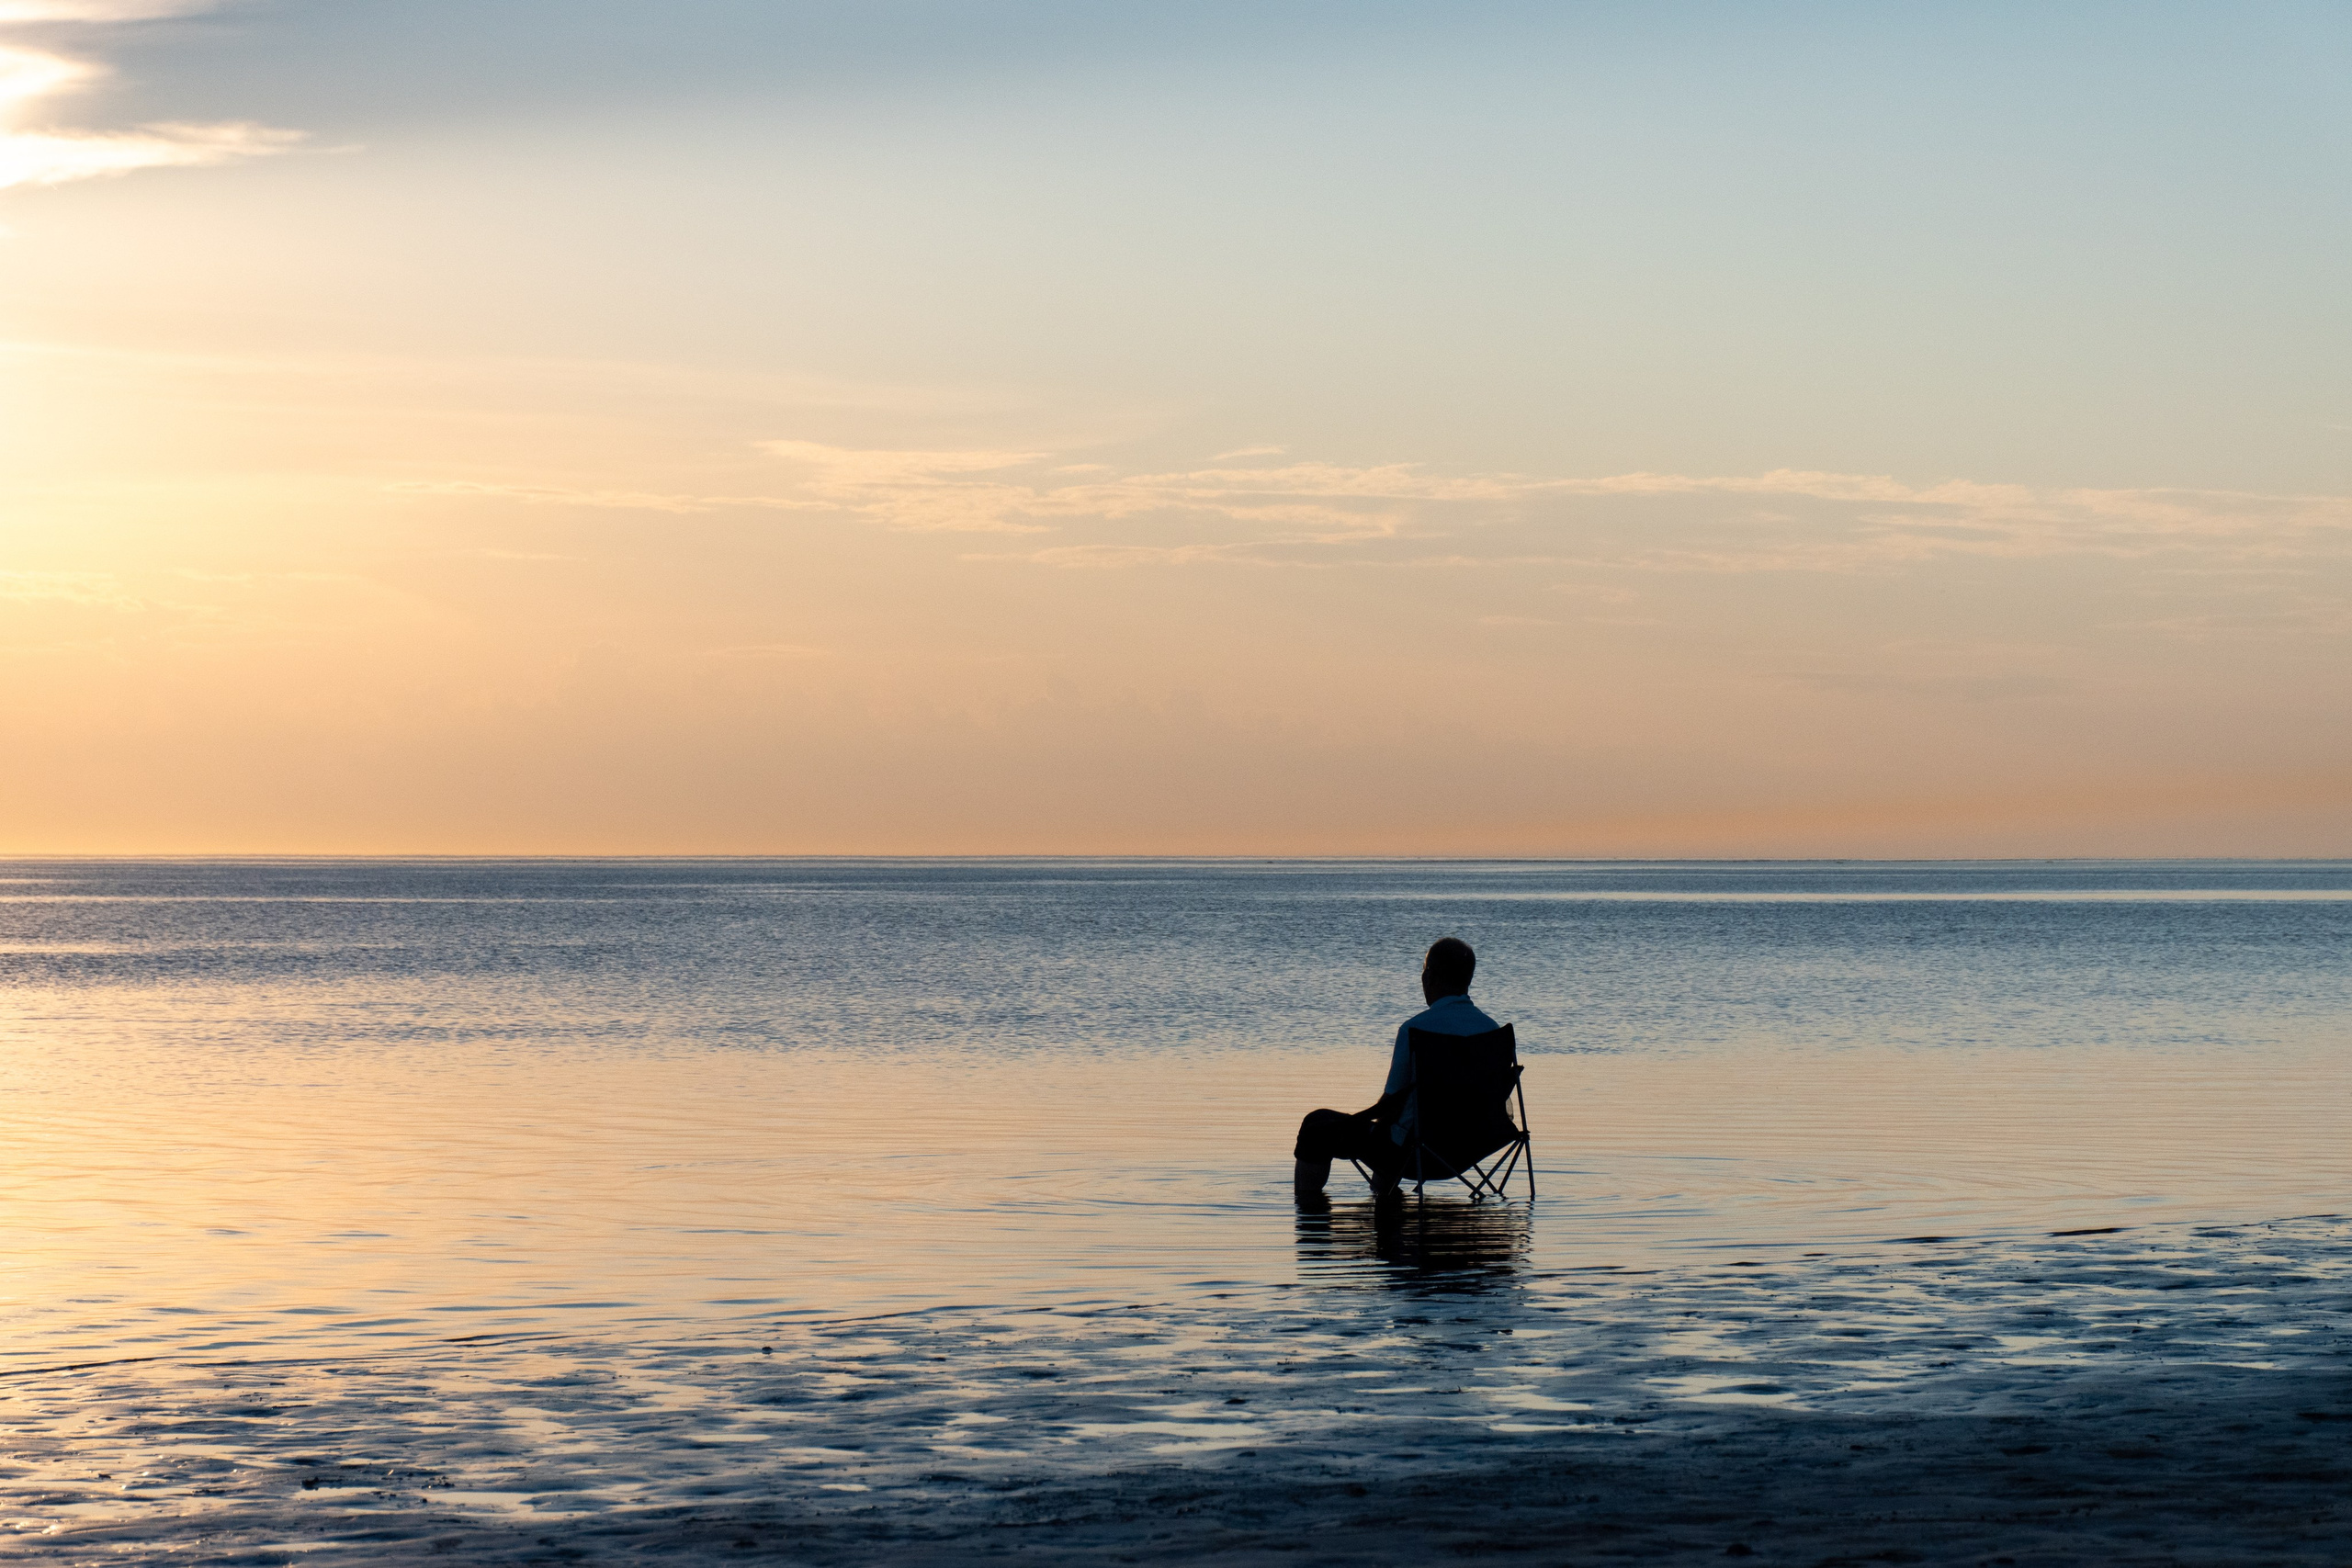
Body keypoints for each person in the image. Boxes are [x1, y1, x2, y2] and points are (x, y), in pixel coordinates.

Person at [1293, 936, 1500, 1202]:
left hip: (1415, 1151)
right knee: (1392, 1129)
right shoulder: (1492, 1031)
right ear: (1467, 979)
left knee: (1316, 1127)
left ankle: (1310, 1220)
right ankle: (1387, 1197)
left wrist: (1356, 1122)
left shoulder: (1415, 1030)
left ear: (1430, 978)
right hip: (1469, 1147)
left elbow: (1391, 1108)